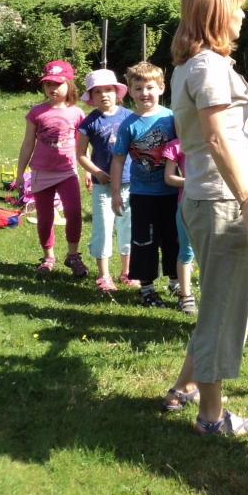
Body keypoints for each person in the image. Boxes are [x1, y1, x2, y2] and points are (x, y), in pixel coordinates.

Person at [163, 0, 248, 435]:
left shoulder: (198, 64)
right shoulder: (207, 66)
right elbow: (216, 139)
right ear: (216, 14)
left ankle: (183, 386)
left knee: (216, 305)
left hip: (208, 199)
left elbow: (231, 130)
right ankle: (211, 418)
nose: (243, 15)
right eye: (237, 8)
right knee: (223, 312)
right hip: (221, 202)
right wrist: (247, 200)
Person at [110, 62, 179, 308]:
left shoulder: (172, 118)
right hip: (142, 195)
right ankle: (147, 288)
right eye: (138, 88)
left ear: (161, 88)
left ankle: (176, 282)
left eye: (150, 87)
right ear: (130, 91)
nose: (144, 93)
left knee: (174, 238)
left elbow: (185, 151)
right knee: (144, 241)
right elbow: (118, 160)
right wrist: (115, 193)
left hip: (173, 192)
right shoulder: (128, 124)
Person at [15, 60, 87, 277]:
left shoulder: (77, 113)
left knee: (73, 213)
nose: (53, 88)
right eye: (48, 84)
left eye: (58, 83)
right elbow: (28, 143)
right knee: (45, 218)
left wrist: (88, 171)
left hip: (67, 172)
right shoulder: (36, 112)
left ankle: (73, 256)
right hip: (41, 173)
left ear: (69, 85)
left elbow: (82, 146)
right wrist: (20, 173)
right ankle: (48, 258)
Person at [76, 68, 138, 292]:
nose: (104, 95)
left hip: (129, 183)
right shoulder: (89, 122)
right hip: (103, 186)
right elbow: (80, 154)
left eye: (108, 90)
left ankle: (127, 271)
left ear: (117, 92)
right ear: (91, 97)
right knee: (102, 227)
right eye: (98, 91)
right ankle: (104, 275)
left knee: (127, 227)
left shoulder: (130, 117)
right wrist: (96, 172)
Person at [162, 135, 197, 315]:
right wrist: (193, 183)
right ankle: (185, 294)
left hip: (211, 203)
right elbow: (169, 178)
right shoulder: (176, 145)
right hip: (186, 203)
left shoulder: (212, 141)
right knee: (186, 249)